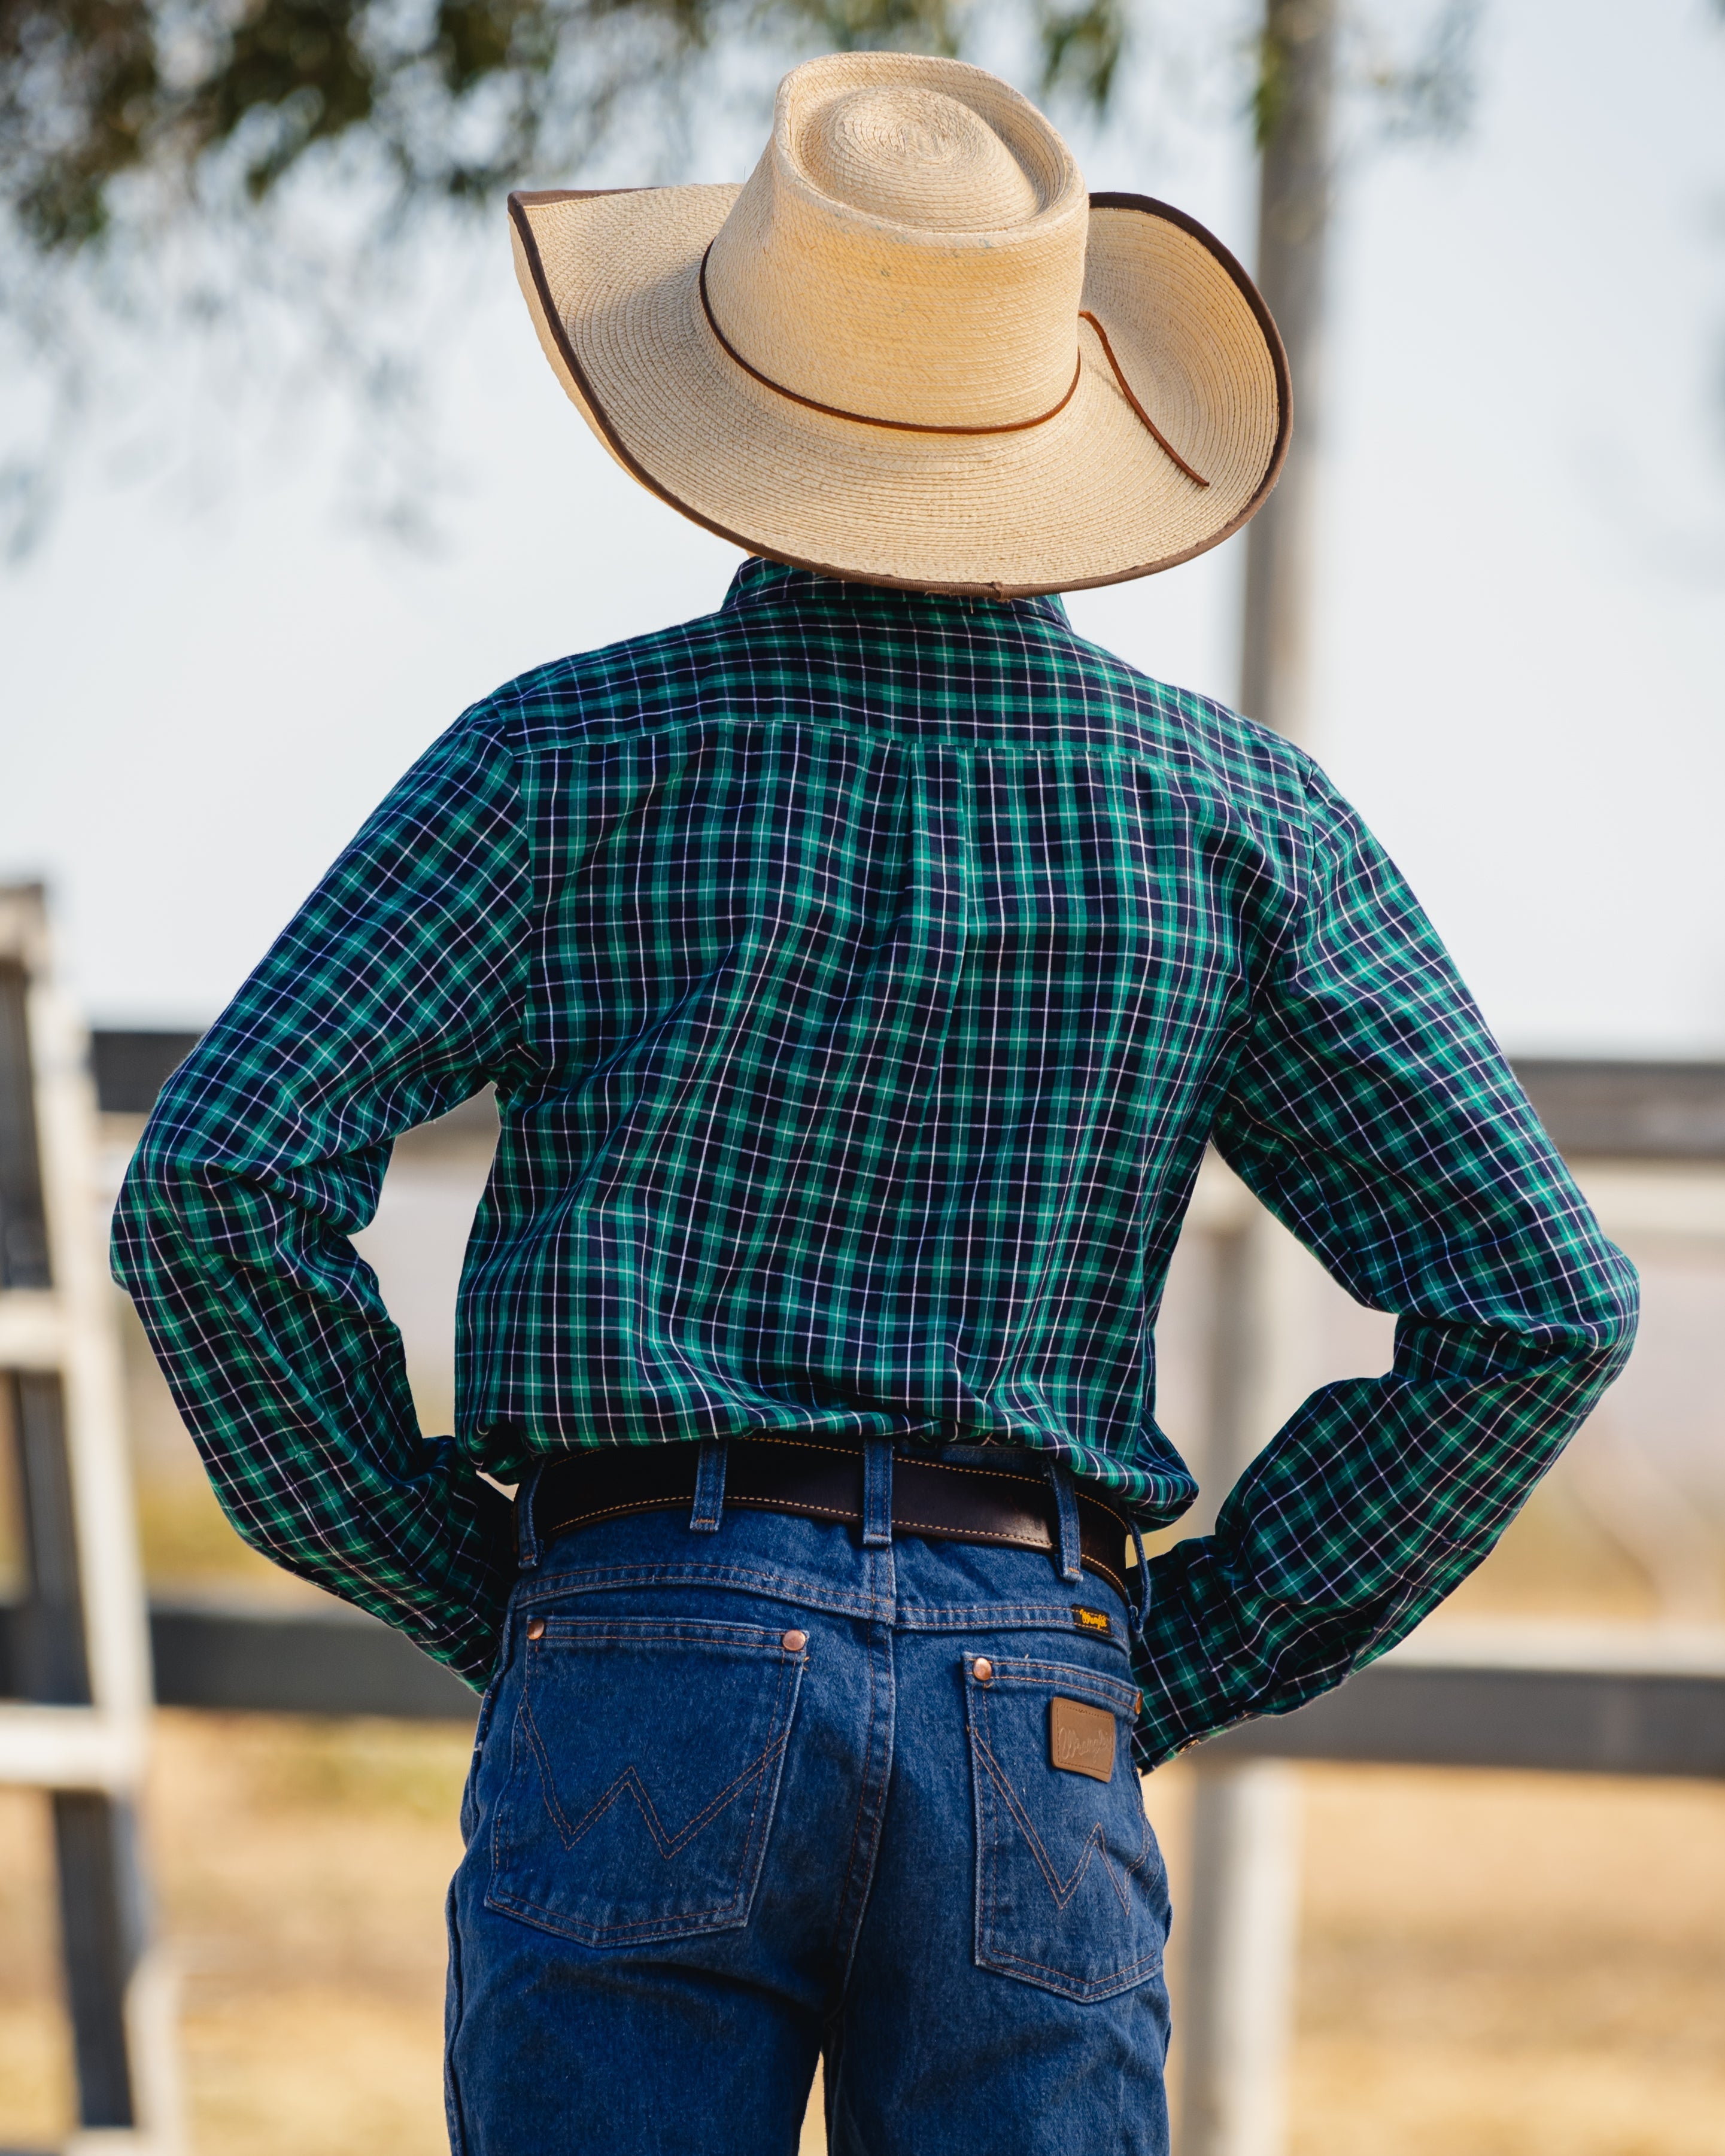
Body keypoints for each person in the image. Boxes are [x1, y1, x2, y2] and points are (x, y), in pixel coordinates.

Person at [113, 49, 1637, 2156]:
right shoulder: (1234, 821)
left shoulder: (559, 760)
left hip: (641, 1632)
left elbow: (215, 1184)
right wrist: (1173, 1649)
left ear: (732, 398)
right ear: (1060, 423)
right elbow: (1538, 1304)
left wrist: (481, 1581)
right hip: (1040, 1673)